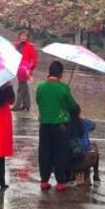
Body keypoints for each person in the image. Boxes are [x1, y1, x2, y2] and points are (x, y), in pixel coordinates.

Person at [35, 61, 78, 192]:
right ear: (60, 73)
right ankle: (60, 182)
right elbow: (72, 106)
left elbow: (38, 101)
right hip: (60, 126)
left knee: (45, 152)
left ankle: (44, 181)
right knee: (60, 153)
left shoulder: (41, 87)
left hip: (44, 124)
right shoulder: (63, 88)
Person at [67, 108, 98, 185]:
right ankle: (95, 175)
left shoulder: (64, 124)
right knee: (93, 146)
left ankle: (73, 176)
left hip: (68, 161)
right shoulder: (83, 122)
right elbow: (93, 125)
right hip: (84, 160)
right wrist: (82, 118)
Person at [12, 29, 37, 112]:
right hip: (18, 68)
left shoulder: (30, 46)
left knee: (21, 87)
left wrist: (30, 68)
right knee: (24, 86)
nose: (23, 37)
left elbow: (34, 59)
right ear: (19, 36)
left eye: (25, 36)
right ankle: (27, 105)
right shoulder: (16, 45)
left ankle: (17, 105)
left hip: (25, 69)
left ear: (27, 37)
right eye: (22, 36)